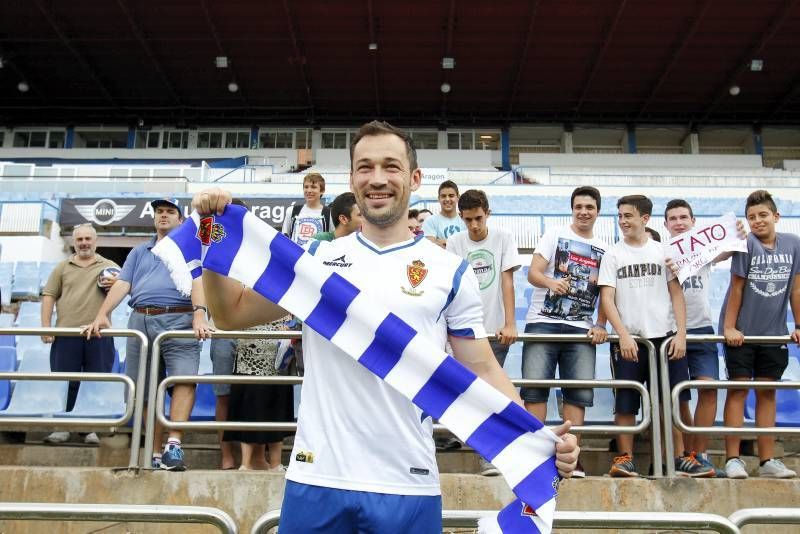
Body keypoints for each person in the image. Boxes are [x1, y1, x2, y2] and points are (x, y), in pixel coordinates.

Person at [193, 121, 578, 533]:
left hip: (407, 483)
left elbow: (482, 368)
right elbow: (231, 314)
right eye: (365, 167)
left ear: (414, 178)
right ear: (352, 178)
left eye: (391, 167)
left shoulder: (449, 271)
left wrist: (537, 436)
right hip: (317, 477)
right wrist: (210, 229)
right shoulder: (315, 259)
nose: (378, 179)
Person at [86, 198, 212, 471]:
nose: (163, 216)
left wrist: (200, 313)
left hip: (180, 317)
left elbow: (198, 279)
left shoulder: (191, 246)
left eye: (170, 212)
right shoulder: (140, 251)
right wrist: (103, 313)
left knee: (184, 381)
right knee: (143, 388)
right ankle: (154, 450)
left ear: (181, 219)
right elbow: (123, 283)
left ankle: (173, 446)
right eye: (159, 212)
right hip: (140, 318)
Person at [599, 195, 714, 478]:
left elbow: (677, 296)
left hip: (665, 338)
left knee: (669, 401)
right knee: (626, 401)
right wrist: (623, 335)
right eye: (620, 216)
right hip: (630, 341)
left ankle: (678, 457)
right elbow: (607, 298)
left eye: (629, 216)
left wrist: (682, 333)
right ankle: (624, 457)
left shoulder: (664, 251)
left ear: (645, 219)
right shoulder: (613, 254)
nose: (623, 221)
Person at [523, 186, 609, 478]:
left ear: (598, 211)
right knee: (534, 392)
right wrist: (552, 284)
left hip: (581, 329)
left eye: (589, 207)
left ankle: (573, 459)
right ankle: (534, 458)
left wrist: (601, 324)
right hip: (542, 323)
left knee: (577, 396)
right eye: (579, 206)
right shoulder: (554, 235)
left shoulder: (604, 248)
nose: (584, 211)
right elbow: (533, 273)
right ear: (572, 209)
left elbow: (607, 293)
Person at [721, 189, 799, 479]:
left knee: (767, 393)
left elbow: (797, 289)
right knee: (738, 389)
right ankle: (733, 459)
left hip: (773, 333)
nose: (757, 221)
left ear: (776, 216)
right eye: (752, 217)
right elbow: (737, 288)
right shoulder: (746, 244)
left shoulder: (793, 244)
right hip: (742, 333)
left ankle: (767, 461)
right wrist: (730, 327)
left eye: (763, 215)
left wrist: (798, 326)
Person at [663, 199, 743, 477]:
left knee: (708, 390)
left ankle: (700, 454)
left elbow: (730, 248)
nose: (679, 222)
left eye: (684, 217)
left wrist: (738, 231)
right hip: (671, 332)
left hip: (702, 329)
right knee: (678, 397)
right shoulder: (661, 253)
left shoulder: (703, 249)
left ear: (693, 222)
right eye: (673, 218)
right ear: (665, 225)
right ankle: (684, 457)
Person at [446, 188, 521, 476]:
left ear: (487, 213)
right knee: (470, 394)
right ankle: (479, 448)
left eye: (478, 218)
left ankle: (490, 456)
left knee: (491, 395)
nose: (474, 225)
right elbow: (453, 286)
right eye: (468, 220)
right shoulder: (455, 242)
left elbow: (507, 282)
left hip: (494, 331)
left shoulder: (503, 238)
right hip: (464, 332)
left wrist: (510, 322)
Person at [41, 223, 119, 445]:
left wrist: (118, 285)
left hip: (99, 335)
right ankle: (62, 427)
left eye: (88, 238)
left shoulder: (110, 267)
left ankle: (89, 428)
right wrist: (45, 327)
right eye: (80, 239)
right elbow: (49, 296)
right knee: (65, 382)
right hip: (66, 335)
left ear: (95, 241)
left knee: (95, 382)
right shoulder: (62, 268)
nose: (84, 243)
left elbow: (124, 292)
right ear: (73, 242)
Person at [224, 318, 295, 471]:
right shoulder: (247, 296)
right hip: (249, 358)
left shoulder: (285, 299)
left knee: (277, 410)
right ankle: (246, 463)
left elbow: (295, 319)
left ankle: (275, 463)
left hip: (278, 359)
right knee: (249, 409)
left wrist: (290, 327)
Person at [282, 173, 334, 246]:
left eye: (313, 187)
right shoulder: (291, 211)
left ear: (322, 191)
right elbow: (285, 237)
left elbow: (334, 239)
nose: (309, 190)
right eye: (306, 187)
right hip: (296, 256)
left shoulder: (329, 213)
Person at [422, 180, 465, 247]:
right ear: (439, 198)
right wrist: (458, 243)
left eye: (451, 196)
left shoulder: (465, 220)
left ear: (458, 197)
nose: (447, 199)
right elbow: (430, 247)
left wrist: (440, 242)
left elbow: (468, 244)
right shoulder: (430, 221)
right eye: (443, 196)